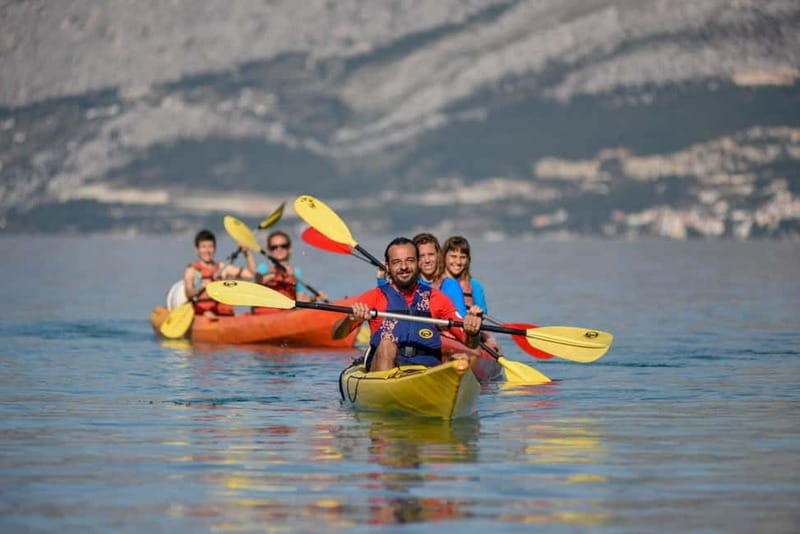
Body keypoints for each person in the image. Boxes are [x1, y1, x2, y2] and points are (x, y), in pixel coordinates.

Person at [332, 237, 484, 372]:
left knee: (459, 360)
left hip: (425, 371)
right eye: (397, 262)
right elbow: (337, 335)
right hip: (384, 370)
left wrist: (472, 332)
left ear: (418, 263)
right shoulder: (374, 296)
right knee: (386, 344)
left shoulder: (438, 298)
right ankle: (387, 397)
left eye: (409, 260)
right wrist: (351, 319)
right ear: (388, 266)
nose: (404, 267)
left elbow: (469, 343)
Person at [244, 230, 326, 314]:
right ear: (269, 250)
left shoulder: (296, 272)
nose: (279, 249)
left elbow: (300, 300)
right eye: (274, 247)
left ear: (289, 249)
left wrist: (314, 298)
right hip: (264, 315)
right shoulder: (264, 268)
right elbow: (258, 281)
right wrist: (278, 273)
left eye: (283, 246)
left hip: (286, 316)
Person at [442, 235, 500, 352]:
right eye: (453, 256)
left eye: (462, 257)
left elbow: (482, 316)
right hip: (443, 333)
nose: (458, 262)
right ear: (444, 257)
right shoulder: (437, 283)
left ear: (468, 260)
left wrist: (476, 317)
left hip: (468, 333)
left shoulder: (475, 286)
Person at [184, 229, 254, 317]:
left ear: (215, 248)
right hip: (203, 314)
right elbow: (188, 292)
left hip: (223, 315)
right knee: (208, 314)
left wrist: (247, 254)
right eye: (203, 247)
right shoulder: (192, 270)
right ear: (197, 250)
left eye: (210, 246)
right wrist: (199, 289)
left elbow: (251, 274)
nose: (207, 250)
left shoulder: (222, 268)